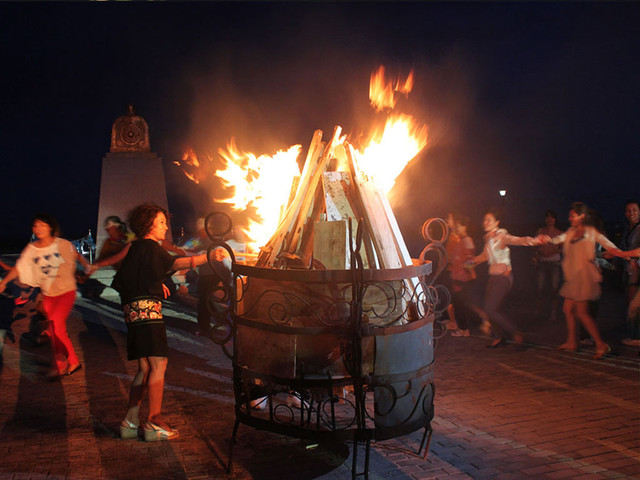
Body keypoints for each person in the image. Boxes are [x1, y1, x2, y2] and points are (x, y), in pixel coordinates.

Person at [97, 203, 209, 441]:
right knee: (158, 366)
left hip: (134, 315)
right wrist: (206, 257)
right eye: (160, 222)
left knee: (145, 368)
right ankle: (154, 422)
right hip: (149, 315)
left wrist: (159, 287)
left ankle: (129, 422)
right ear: (148, 225)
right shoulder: (149, 246)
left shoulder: (135, 249)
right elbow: (175, 263)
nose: (165, 226)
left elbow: (133, 280)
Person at [0, 213, 91, 378]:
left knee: (56, 327)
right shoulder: (32, 249)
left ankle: (72, 361)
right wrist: (4, 282)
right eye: (35, 225)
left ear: (50, 227)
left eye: (42, 225)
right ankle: (62, 364)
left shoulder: (62, 244)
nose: (38, 228)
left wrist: (86, 265)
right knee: (55, 330)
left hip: (66, 292)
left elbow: (75, 254)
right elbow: (20, 267)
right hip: (48, 295)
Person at [550, 202, 621, 359]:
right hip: (574, 277)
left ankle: (601, 345)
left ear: (582, 216)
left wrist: (622, 254)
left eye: (573, 215)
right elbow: (557, 239)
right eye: (570, 215)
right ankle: (572, 342)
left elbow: (606, 243)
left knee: (582, 313)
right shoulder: (570, 232)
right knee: (568, 309)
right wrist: (544, 240)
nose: (570, 218)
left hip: (584, 277)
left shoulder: (590, 232)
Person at [470, 208, 546, 349]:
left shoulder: (501, 236)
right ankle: (498, 337)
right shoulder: (488, 239)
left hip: (503, 278)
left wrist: (535, 241)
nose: (485, 222)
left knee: (490, 309)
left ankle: (517, 332)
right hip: (493, 278)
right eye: (484, 219)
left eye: (489, 220)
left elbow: (519, 240)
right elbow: (484, 256)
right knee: (489, 310)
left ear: (497, 222)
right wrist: (470, 262)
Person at [448, 214, 489, 337]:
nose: (458, 229)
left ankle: (474, 325)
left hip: (463, 278)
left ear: (465, 227)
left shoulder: (467, 240)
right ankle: (468, 327)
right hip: (458, 277)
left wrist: (466, 268)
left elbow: (471, 258)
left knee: (462, 304)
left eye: (459, 226)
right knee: (461, 304)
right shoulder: (461, 240)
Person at [533, 210, 563, 318]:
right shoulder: (540, 231)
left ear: (555, 220)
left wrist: (554, 251)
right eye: (547, 217)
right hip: (542, 262)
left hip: (554, 262)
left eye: (552, 217)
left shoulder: (559, 233)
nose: (549, 220)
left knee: (554, 288)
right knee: (539, 287)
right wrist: (535, 257)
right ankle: (538, 310)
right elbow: (534, 246)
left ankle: (553, 312)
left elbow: (563, 248)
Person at [619, 200, 640, 345]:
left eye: (634, 210)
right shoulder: (627, 229)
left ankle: (636, 337)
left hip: (637, 269)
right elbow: (621, 249)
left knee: (634, 304)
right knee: (630, 302)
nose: (631, 213)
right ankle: (633, 334)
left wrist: (623, 254)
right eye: (628, 210)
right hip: (629, 269)